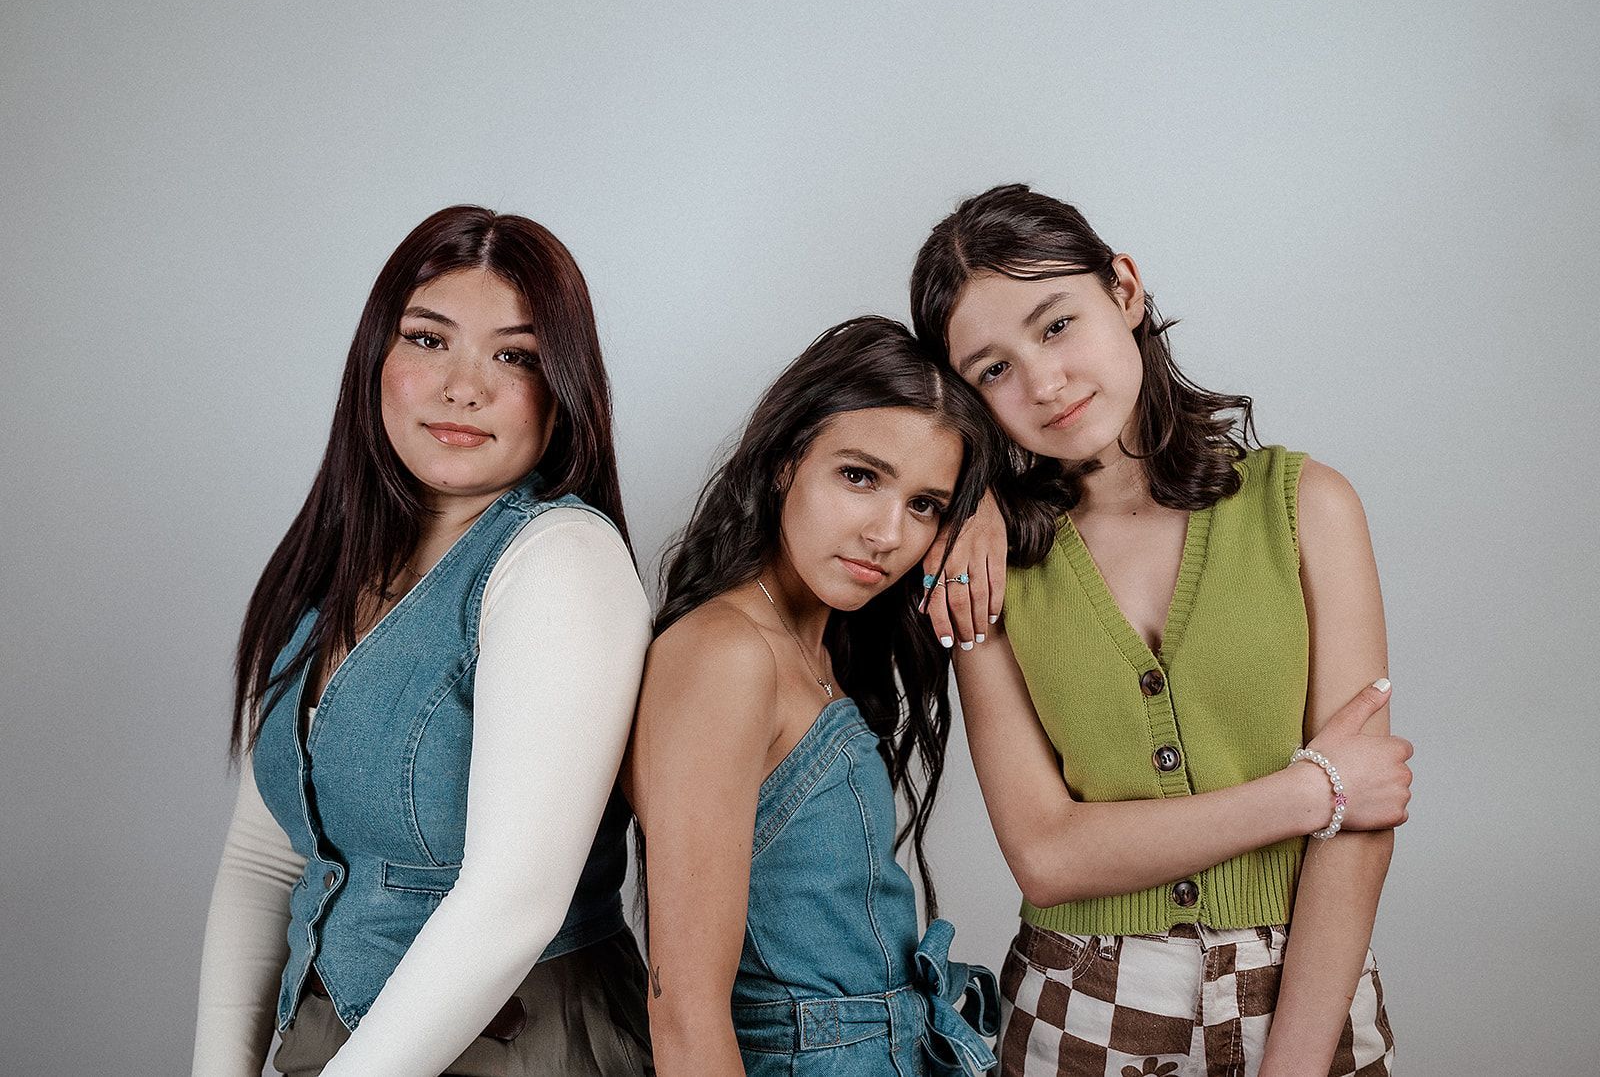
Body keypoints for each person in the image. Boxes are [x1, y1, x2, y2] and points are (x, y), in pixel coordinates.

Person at [909, 184, 1410, 1076]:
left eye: (1055, 324)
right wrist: (1310, 794)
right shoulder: (986, 569)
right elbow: (1047, 856)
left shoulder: (1306, 509)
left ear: (1126, 289)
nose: (1043, 383)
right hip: (1081, 1010)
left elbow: (1363, 829)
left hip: (1308, 999)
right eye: (992, 369)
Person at [192, 206, 654, 1076]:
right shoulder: (330, 567)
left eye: (513, 355)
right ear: (377, 360)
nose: (462, 387)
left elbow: (512, 904)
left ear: (564, 389)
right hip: (333, 1043)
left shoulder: (562, 560)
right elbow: (265, 858)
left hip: (524, 1045)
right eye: (428, 340)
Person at [627, 317, 1005, 1076]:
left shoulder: (819, 646)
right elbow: (685, 1010)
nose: (887, 533)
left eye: (925, 504)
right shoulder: (725, 654)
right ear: (785, 461)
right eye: (859, 477)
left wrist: (985, 504)